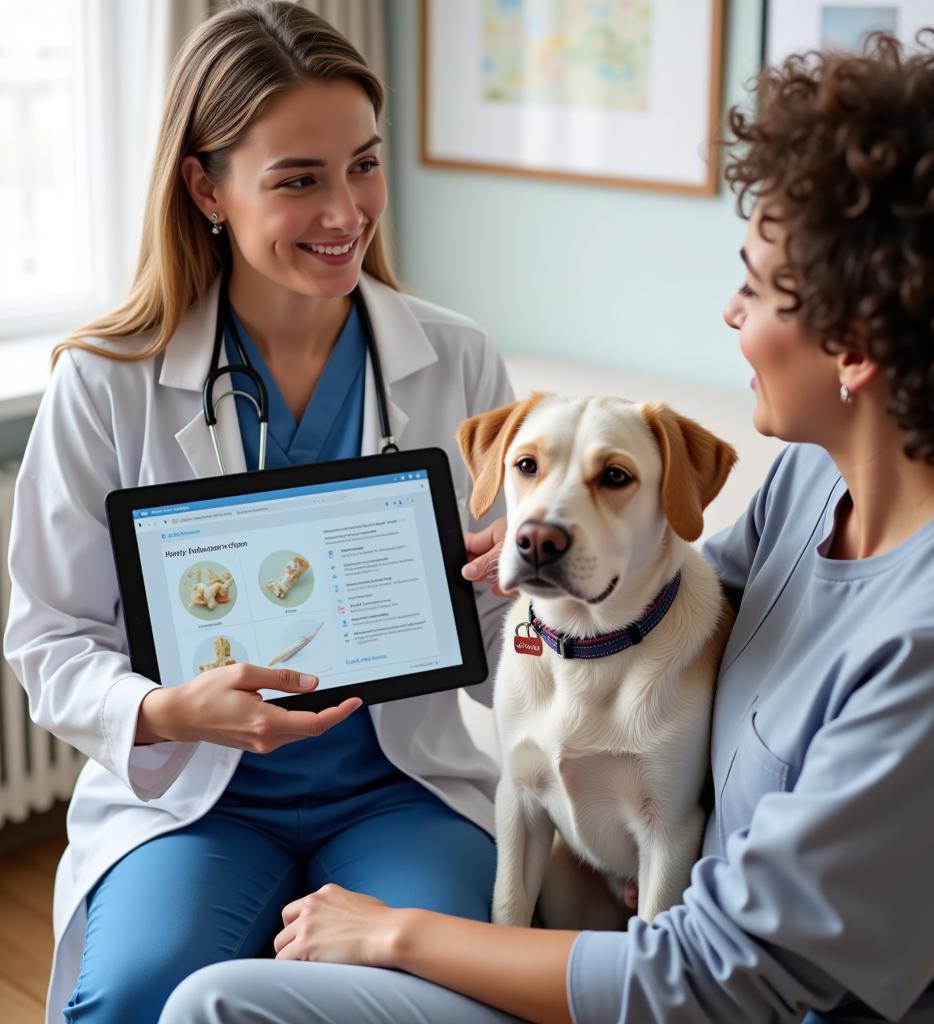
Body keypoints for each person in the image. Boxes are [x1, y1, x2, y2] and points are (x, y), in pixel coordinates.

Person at [159, 29, 934, 1024]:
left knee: (220, 1008)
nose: (729, 315)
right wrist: (531, 569)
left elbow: (715, 981)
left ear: (856, 346)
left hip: (710, 995)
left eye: (753, 284)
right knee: (212, 995)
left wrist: (399, 933)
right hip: (650, 944)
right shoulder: (810, 486)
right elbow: (670, 597)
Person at [1, 4, 515, 1023]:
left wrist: (526, 594)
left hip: (400, 789)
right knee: (137, 995)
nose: (347, 210)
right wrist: (164, 710)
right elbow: (50, 636)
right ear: (206, 186)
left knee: (426, 993)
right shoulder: (107, 382)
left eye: (363, 166)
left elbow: (503, 642)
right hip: (198, 797)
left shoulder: (456, 360)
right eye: (298, 179)